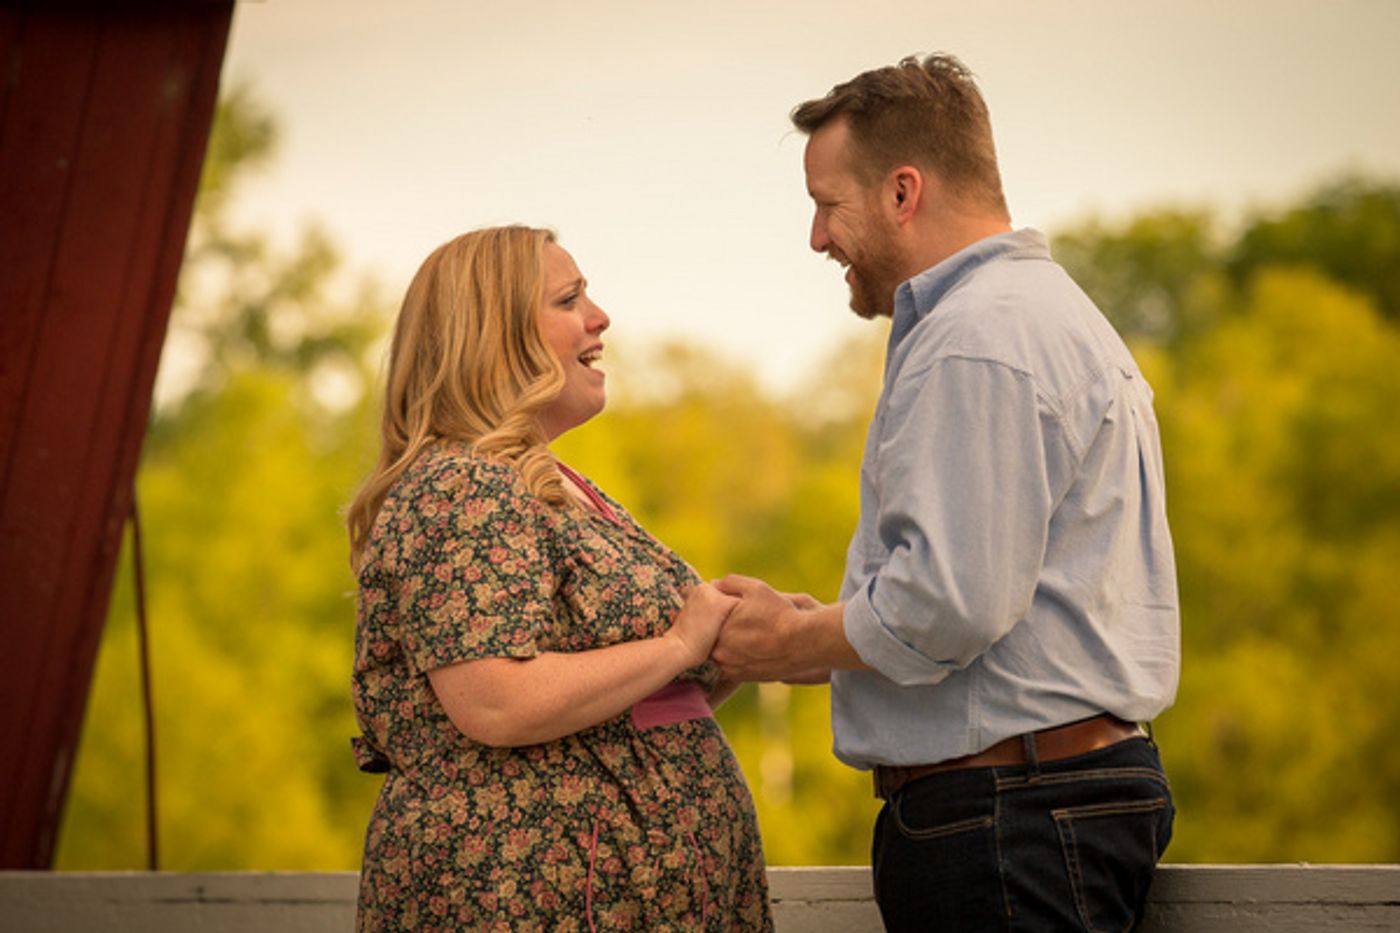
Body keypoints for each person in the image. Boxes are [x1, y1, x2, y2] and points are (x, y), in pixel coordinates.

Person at [711, 54, 1179, 932]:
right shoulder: (1041, 314)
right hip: (1041, 802)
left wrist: (784, 641)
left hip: (1006, 818)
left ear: (902, 193)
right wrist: (820, 638)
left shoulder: (977, 338)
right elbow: (997, 599)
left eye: (826, 204)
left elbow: (948, 604)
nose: (816, 238)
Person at [346, 225, 771, 931]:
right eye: (570, 298)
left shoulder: (557, 487)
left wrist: (732, 642)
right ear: (494, 335)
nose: (600, 317)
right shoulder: (461, 486)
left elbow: (627, 705)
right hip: (529, 900)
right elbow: (495, 702)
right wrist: (676, 644)